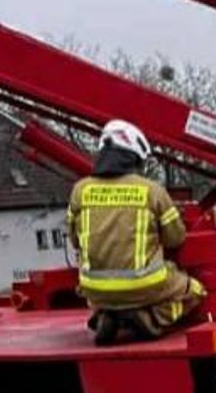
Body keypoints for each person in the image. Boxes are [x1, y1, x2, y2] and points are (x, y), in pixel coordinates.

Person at [67, 119, 205, 345]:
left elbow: (74, 240)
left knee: (111, 299)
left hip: (94, 288)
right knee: (196, 291)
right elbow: (175, 238)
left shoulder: (79, 191)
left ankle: (105, 316)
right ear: (135, 157)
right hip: (144, 284)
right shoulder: (152, 191)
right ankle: (151, 319)